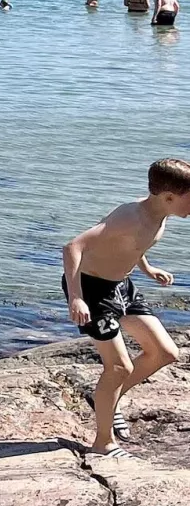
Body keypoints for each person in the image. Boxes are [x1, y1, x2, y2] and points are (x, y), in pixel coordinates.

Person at [61, 157, 190, 457]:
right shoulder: (129, 216)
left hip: (122, 287)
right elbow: (73, 247)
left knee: (165, 352)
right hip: (92, 291)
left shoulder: (160, 214)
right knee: (119, 366)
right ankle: (102, 443)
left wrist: (147, 268)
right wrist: (76, 297)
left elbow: (133, 245)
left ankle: (107, 399)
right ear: (168, 197)